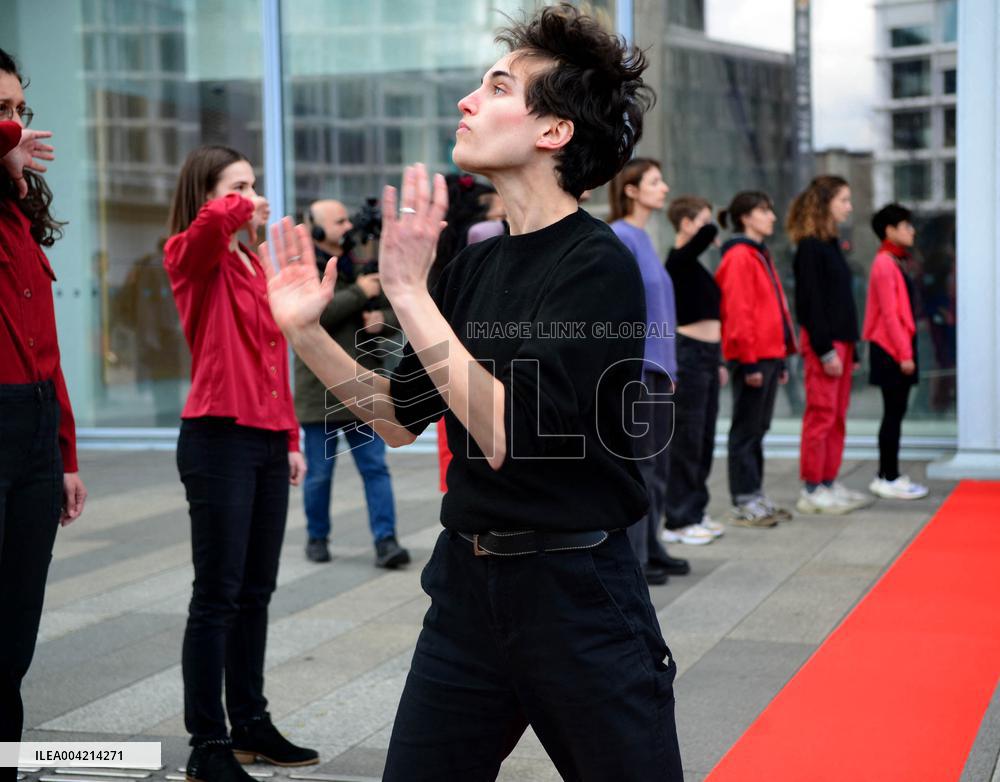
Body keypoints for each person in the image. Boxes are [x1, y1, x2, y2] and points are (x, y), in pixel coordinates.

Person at [262, 5, 683, 780]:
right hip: (467, 592)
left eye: (496, 88)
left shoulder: (597, 264)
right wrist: (305, 331)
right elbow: (397, 419)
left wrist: (407, 293)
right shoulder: (476, 267)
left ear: (554, 130)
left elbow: (504, 433)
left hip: (577, 596)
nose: (467, 100)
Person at [164, 145, 317, 782]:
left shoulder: (254, 263)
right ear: (207, 197)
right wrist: (235, 207)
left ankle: (251, 723)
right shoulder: (189, 255)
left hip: (265, 438)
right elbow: (206, 230)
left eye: (255, 186)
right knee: (217, 596)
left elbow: (272, 356)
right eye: (239, 187)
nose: (255, 198)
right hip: (217, 437)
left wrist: (290, 439)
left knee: (256, 592)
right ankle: (208, 744)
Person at [0, 50, 87, 777]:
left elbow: (46, 350)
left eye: (20, 110)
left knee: (15, 628)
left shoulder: (20, 217)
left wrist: (64, 455)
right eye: (1, 111)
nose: (17, 124)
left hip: (30, 427)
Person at [296, 199, 410, 567]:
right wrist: (360, 292)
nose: (348, 227)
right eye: (339, 221)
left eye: (348, 219)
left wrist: (382, 321)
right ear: (316, 229)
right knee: (319, 475)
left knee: (375, 469)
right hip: (320, 392)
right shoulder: (303, 269)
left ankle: (386, 541)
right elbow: (314, 316)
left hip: (364, 388)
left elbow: (397, 313)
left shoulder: (363, 264)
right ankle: (317, 537)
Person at [607, 157, 690, 585]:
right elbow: (621, 310)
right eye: (655, 181)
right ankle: (635, 559)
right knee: (641, 467)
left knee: (658, 465)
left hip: (657, 371)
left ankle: (652, 547)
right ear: (631, 190)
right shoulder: (621, 236)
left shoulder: (643, 236)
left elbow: (659, 311)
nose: (664, 187)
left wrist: (669, 367)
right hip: (637, 373)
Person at [788, 175, 869, 515]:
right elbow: (809, 303)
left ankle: (828, 480)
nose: (849, 207)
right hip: (825, 342)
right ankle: (812, 488)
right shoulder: (809, 247)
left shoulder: (832, 243)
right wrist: (825, 349)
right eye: (843, 200)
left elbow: (843, 302)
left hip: (842, 341)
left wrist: (854, 349)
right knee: (821, 415)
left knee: (836, 416)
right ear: (825, 203)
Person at [715, 191, 796, 526]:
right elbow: (738, 312)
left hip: (768, 354)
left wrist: (782, 356)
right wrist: (749, 361)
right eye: (764, 211)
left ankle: (755, 494)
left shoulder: (759, 253)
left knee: (758, 428)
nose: (772, 217)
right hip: (753, 356)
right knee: (746, 430)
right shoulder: (739, 257)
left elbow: (772, 308)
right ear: (746, 217)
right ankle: (744, 499)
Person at [663, 195, 725, 545]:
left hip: (707, 356)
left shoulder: (695, 265)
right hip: (688, 355)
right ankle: (678, 519)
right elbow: (705, 237)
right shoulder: (677, 260)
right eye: (702, 220)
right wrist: (712, 226)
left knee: (703, 437)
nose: (709, 229)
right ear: (686, 224)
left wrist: (719, 360)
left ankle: (695, 511)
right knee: (687, 438)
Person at [863, 204, 929, 500]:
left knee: (896, 412)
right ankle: (886, 476)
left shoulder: (896, 261)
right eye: (905, 226)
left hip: (897, 346)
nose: (911, 231)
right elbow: (890, 315)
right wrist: (904, 354)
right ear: (889, 230)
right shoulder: (884, 263)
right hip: (890, 349)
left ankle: (890, 474)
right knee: (892, 413)